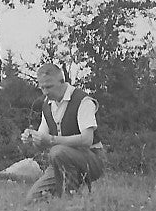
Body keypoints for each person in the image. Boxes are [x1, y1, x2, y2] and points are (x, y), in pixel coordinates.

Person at [20, 62, 105, 200]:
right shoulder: (47, 106)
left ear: (62, 81)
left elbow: (87, 139)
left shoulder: (83, 101)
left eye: (49, 87)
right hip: (60, 161)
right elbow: (43, 141)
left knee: (57, 151)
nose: (46, 92)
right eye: (42, 88)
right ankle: (66, 198)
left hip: (92, 159)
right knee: (33, 199)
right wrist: (33, 139)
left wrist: (52, 140)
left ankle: (70, 198)